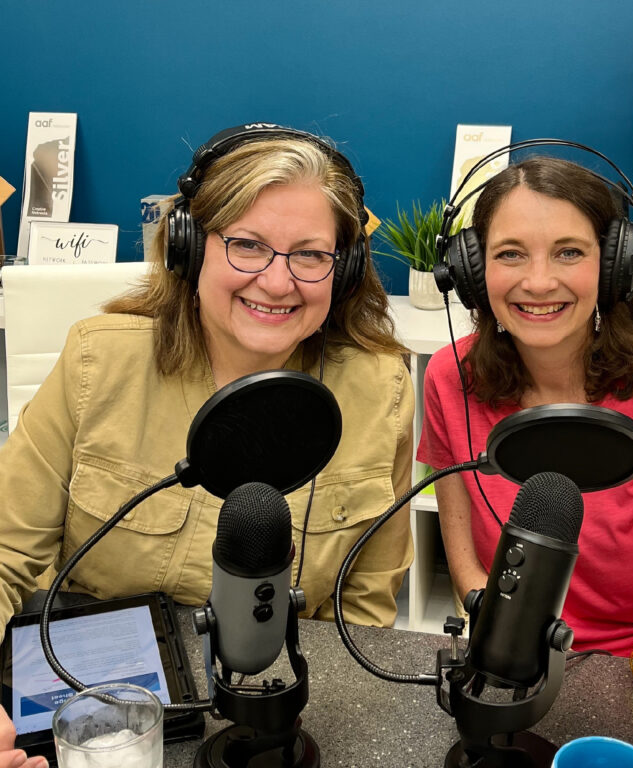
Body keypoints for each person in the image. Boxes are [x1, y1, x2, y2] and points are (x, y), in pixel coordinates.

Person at [0, 123, 414, 766]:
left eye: (309, 254)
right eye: (247, 245)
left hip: (277, 714)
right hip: (101, 715)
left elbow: (363, 606)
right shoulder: (97, 361)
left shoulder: (378, 387)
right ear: (190, 248)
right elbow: (3, 552)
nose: (278, 283)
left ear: (345, 265)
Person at [418, 155, 633, 658]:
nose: (538, 282)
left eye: (568, 252)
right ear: (471, 271)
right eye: (511, 254)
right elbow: (470, 571)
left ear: (613, 265)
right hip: (535, 663)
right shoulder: (451, 379)